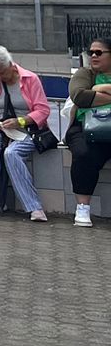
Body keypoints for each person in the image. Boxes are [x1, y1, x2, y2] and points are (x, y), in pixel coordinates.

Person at [0, 44, 50, 222]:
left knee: (11, 153)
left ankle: (34, 207)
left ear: (10, 64)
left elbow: (43, 110)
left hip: (26, 130)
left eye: (1, 72)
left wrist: (21, 121)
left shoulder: (30, 79)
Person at [67, 37, 111, 228]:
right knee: (84, 154)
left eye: (99, 52)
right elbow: (80, 97)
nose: (93, 55)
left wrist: (98, 90)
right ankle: (83, 208)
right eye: (91, 52)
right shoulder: (85, 73)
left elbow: (90, 95)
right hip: (85, 128)